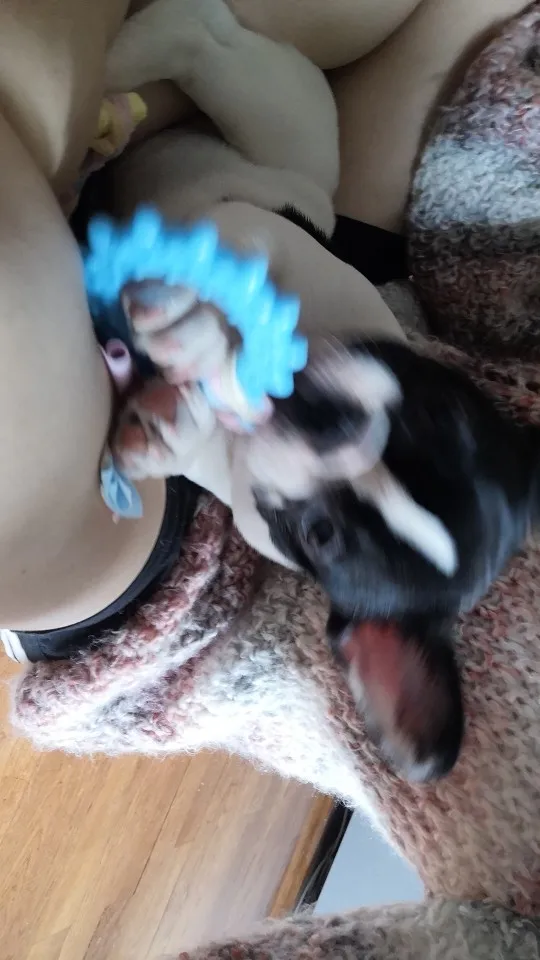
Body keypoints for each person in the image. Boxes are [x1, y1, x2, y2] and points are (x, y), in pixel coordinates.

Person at [0, 0, 531, 662]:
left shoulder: (266, 524)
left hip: (91, 274)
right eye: (426, 419)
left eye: (325, 532)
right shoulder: (349, 316)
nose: (342, 440)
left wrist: (180, 434)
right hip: (233, 173)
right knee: (301, 129)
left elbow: (212, 459)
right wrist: (215, 324)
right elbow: (249, 236)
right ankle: (202, 43)